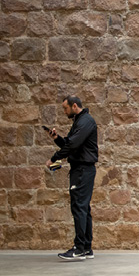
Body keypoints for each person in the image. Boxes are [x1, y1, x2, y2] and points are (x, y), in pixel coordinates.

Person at [46, 95, 98, 262]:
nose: (64, 111)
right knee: (83, 208)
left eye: (65, 108)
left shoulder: (85, 121)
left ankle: (79, 248)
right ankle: (86, 248)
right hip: (81, 169)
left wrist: (54, 158)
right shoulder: (79, 122)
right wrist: (57, 138)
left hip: (82, 170)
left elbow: (73, 145)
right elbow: (69, 144)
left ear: (74, 106)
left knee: (79, 207)